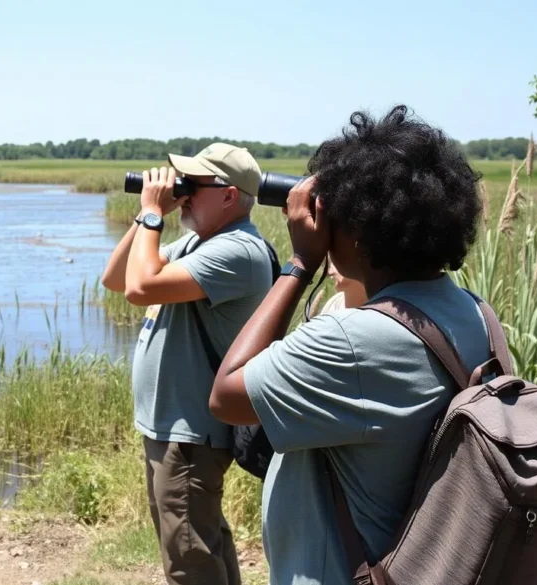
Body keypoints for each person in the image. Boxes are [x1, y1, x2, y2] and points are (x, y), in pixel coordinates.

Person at [208, 105, 488, 585]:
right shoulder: (474, 312)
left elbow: (227, 396)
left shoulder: (354, 339)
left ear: (357, 229)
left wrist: (299, 262)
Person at [100, 143, 275, 585]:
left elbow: (142, 287)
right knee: (202, 544)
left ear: (230, 196)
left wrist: (155, 213)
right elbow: (117, 279)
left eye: (194, 185)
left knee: (188, 559)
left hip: (190, 433)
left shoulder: (238, 251)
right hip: (173, 428)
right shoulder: (200, 242)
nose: (184, 192)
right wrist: (146, 216)